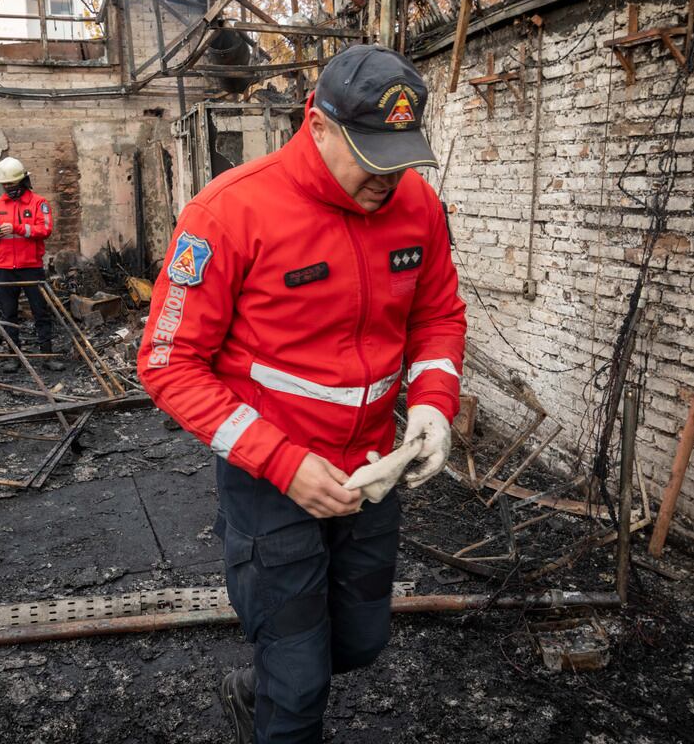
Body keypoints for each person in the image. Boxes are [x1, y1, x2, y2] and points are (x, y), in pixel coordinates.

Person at [137, 44, 467, 743]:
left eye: (402, 153)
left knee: (359, 644)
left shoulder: (416, 204)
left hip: (371, 471)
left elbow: (437, 315)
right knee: (299, 685)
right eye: (371, 154)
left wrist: (434, 406)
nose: (389, 177)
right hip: (271, 482)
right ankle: (277, 699)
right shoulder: (229, 212)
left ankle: (256, 691)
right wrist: (283, 463)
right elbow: (168, 362)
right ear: (316, 125)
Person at [0, 156, 62, 372]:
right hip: (5, 269)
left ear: (21, 181)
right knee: (8, 314)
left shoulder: (39, 203)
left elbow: (45, 230)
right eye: (4, 184)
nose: (7, 188)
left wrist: (17, 227)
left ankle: (46, 356)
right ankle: (13, 358)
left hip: (30, 267)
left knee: (40, 312)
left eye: (11, 183)